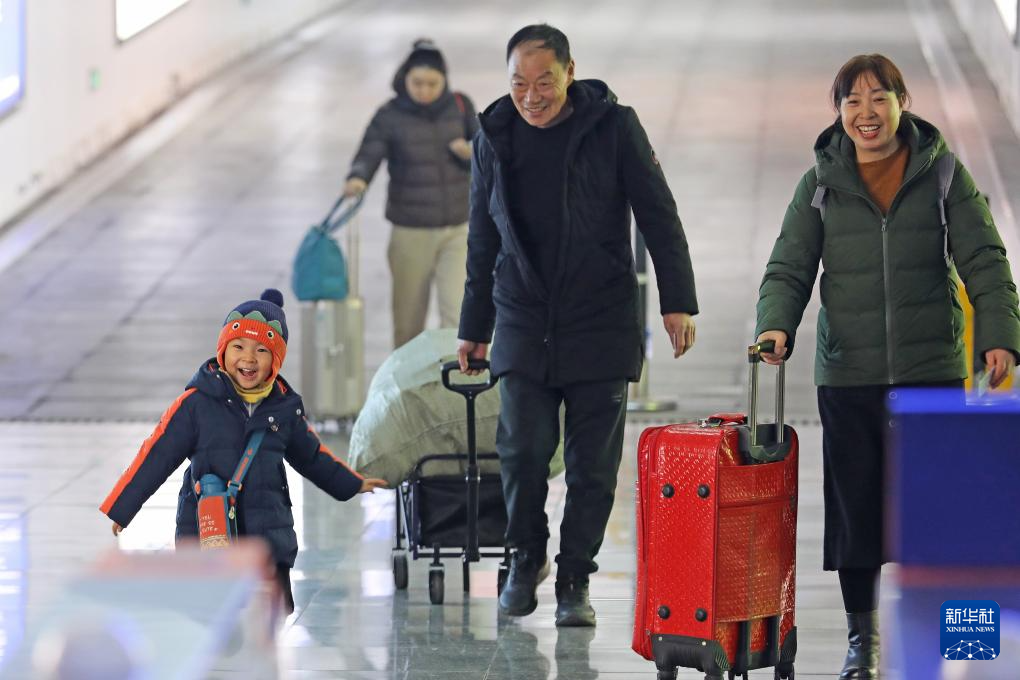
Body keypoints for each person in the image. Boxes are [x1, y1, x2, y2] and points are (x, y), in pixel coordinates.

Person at [755, 54, 1020, 679]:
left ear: (903, 102)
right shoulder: (820, 182)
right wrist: (775, 324)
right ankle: (863, 642)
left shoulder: (942, 173)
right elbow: (789, 265)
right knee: (856, 513)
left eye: (879, 98)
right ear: (839, 111)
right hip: (850, 374)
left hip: (931, 370)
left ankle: (965, 646)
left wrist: (999, 336)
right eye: (852, 101)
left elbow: (984, 258)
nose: (866, 113)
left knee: (947, 510)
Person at [457, 24, 698, 627]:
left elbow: (658, 213)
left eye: (544, 82)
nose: (531, 96)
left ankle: (574, 578)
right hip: (522, 314)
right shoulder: (494, 135)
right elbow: (482, 237)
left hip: (600, 316)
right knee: (521, 449)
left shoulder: (614, 127)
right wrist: (474, 326)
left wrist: (678, 301)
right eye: (519, 83)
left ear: (569, 71)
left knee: (592, 465)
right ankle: (525, 555)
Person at [99, 289, 386, 613]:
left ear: (275, 359)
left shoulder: (284, 409)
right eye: (238, 347)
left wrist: (351, 482)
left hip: (267, 532)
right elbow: (156, 455)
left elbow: (312, 457)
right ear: (223, 350)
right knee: (209, 614)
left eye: (261, 350)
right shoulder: (196, 404)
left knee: (267, 617)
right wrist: (123, 507)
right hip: (209, 533)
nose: (248, 359)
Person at [344, 39, 479, 349]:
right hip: (410, 232)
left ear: (444, 81)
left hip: (457, 229)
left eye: (433, 83)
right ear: (404, 78)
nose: (424, 90)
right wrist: (357, 178)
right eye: (417, 83)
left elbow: (486, 146)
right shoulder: (390, 115)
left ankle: (452, 379)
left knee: (458, 319)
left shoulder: (460, 106)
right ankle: (408, 379)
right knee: (408, 325)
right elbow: (369, 151)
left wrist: (471, 152)